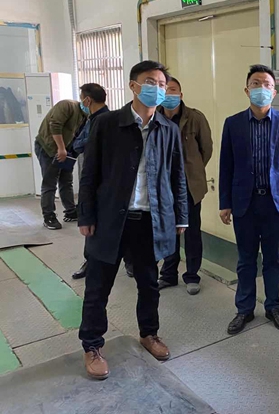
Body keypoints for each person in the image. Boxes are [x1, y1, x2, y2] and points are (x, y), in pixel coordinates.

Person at [77, 61, 188, 380]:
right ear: (133, 86)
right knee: (98, 286)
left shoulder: (168, 129)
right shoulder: (107, 123)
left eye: (162, 84)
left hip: (149, 221)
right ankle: (92, 345)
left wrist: (181, 216)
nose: (158, 88)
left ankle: (149, 333)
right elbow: (90, 172)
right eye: (150, 81)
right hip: (110, 219)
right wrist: (86, 214)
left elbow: (177, 176)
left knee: (149, 284)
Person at [219, 64, 279, 335]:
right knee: (245, 259)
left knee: (272, 259)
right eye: (256, 83)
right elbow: (226, 165)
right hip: (244, 202)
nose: (261, 88)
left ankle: (273, 306)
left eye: (267, 84)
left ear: (274, 92)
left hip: (275, 202)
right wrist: (225, 202)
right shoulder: (233, 124)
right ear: (247, 90)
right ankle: (244, 309)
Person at [158, 77, 213, 295]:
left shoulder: (195, 118)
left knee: (191, 232)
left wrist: (193, 171)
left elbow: (206, 149)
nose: (169, 94)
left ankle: (192, 275)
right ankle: (168, 274)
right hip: (163, 185)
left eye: (173, 90)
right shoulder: (154, 117)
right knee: (168, 231)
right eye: (165, 90)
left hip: (190, 186)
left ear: (180, 95)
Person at [69, 83, 111, 281]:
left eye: (81, 99)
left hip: (102, 180)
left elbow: (80, 145)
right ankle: (91, 261)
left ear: (87, 100)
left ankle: (97, 261)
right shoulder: (93, 119)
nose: (81, 103)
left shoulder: (104, 121)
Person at [34, 93, 89, 229]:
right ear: (87, 100)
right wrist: (61, 148)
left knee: (66, 180)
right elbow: (55, 125)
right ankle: (49, 216)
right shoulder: (67, 105)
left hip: (66, 151)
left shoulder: (86, 116)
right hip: (48, 148)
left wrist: (69, 152)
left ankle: (70, 211)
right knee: (50, 182)